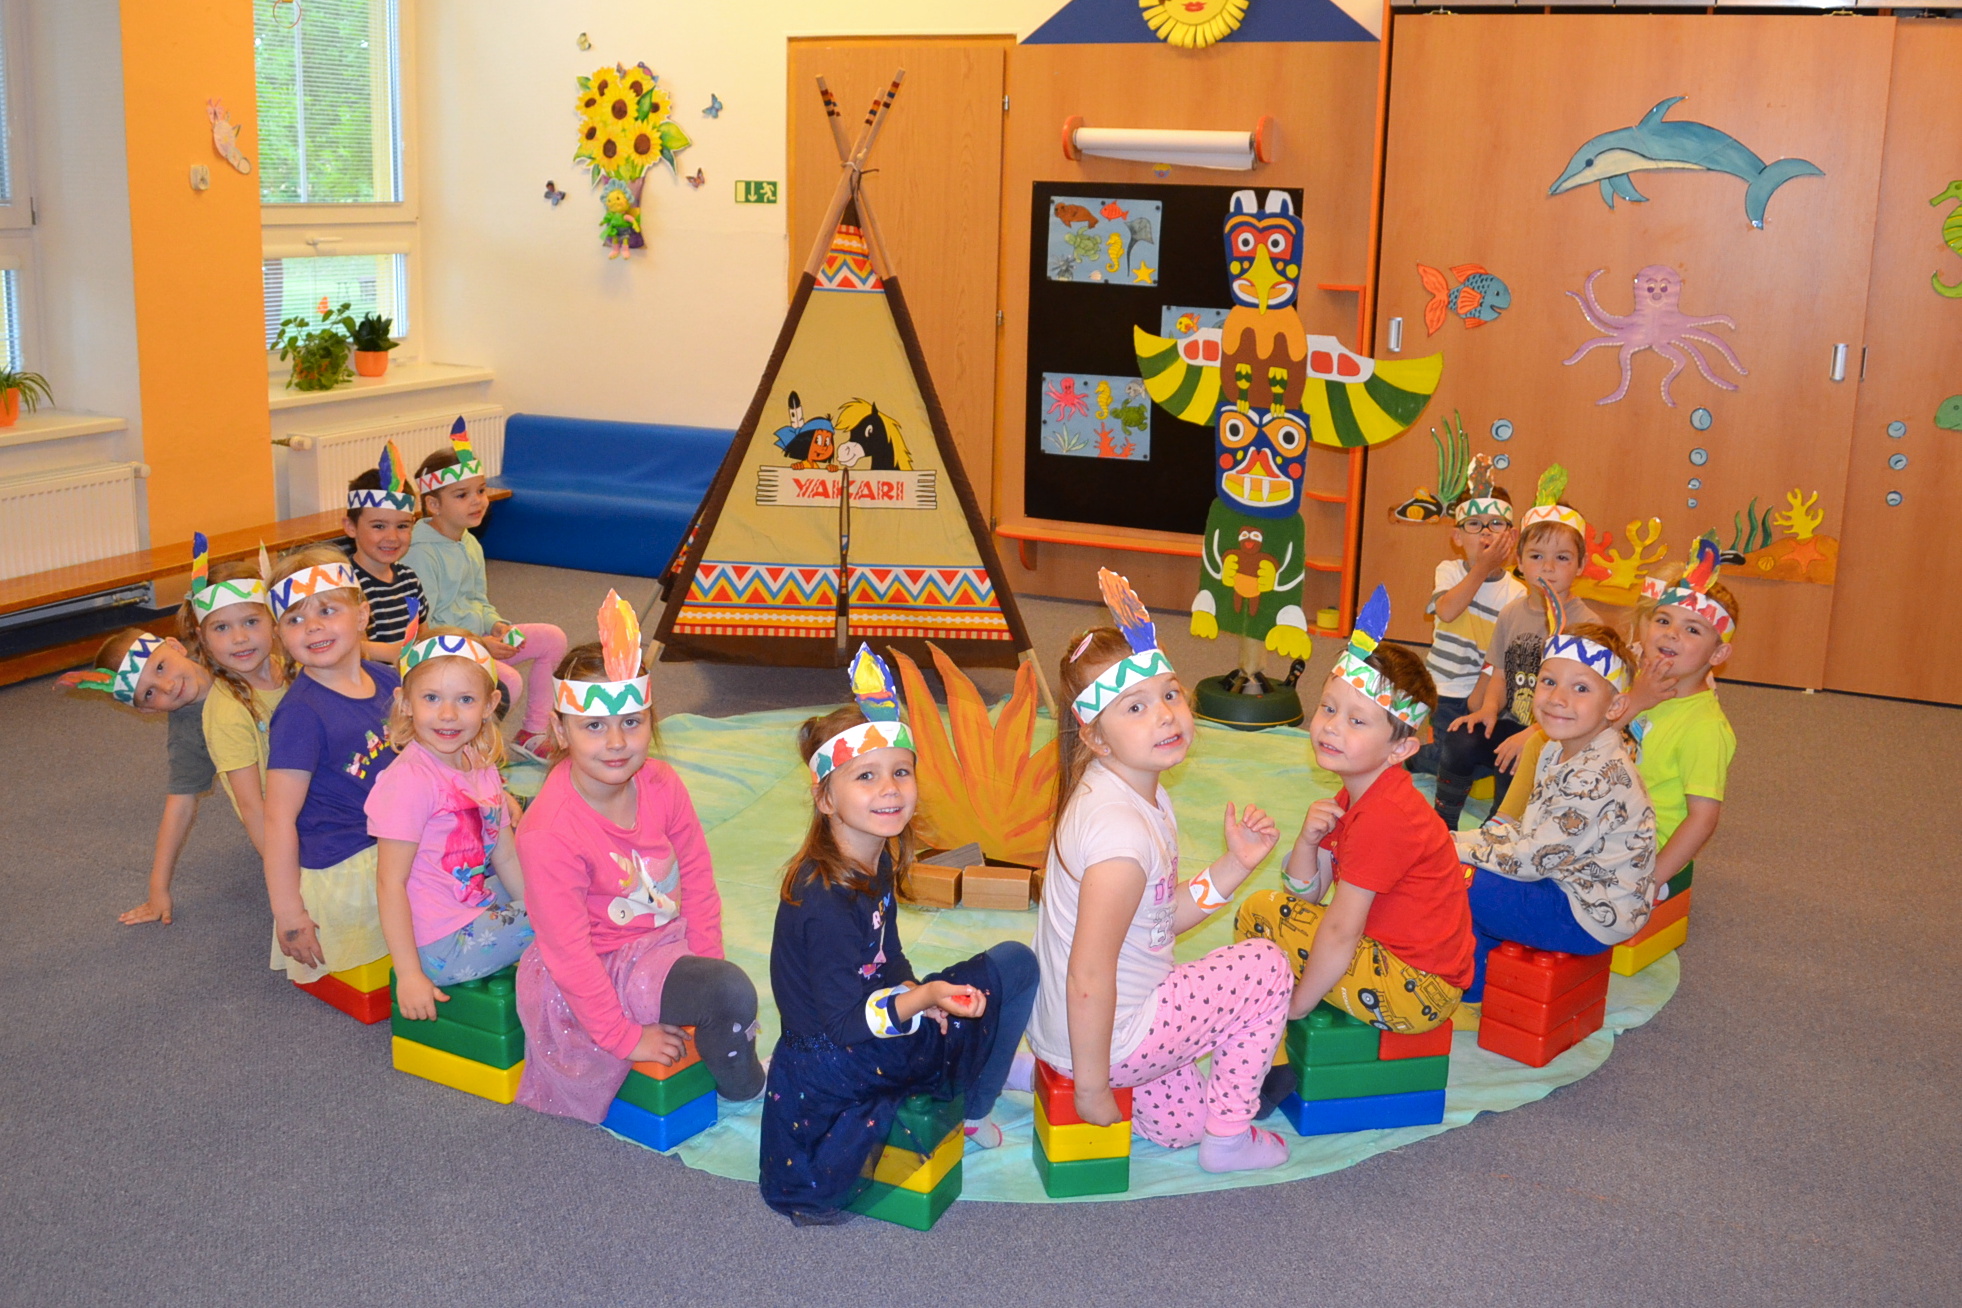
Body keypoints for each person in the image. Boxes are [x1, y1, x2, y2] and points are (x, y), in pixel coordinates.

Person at [1027, 570, 1292, 1175]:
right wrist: (1092, 1087)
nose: (1166, 716)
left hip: (1089, 1033)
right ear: (1096, 737)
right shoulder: (1120, 839)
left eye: (1170, 694)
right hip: (1106, 1040)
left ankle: (1032, 1072)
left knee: (1180, 1129)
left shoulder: (1133, 789)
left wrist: (1233, 866)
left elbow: (1158, 921)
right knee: (1266, 968)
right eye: (1137, 707)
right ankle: (1230, 1139)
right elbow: (1089, 973)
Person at [761, 645, 1038, 1224]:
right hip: (836, 1059)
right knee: (977, 994)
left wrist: (913, 989)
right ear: (825, 797)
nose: (890, 789)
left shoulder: (877, 853)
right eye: (866, 776)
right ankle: (960, 1096)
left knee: (1015, 964)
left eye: (900, 772)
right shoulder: (822, 896)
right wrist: (925, 998)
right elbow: (843, 1025)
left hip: (871, 1022)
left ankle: (968, 1102)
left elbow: (886, 957)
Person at [514, 593, 765, 1125]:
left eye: (631, 722)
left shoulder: (661, 782)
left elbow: (697, 877)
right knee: (730, 994)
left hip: (662, 939)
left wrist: (707, 959)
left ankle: (718, 1025)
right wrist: (625, 1038)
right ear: (559, 731)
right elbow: (569, 953)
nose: (616, 742)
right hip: (602, 962)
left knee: (724, 986)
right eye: (593, 726)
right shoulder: (549, 832)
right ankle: (746, 1090)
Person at [1236, 586, 1476, 1110]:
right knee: (1271, 914)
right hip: (1401, 966)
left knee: (1259, 916)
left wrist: (1295, 1006)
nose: (1330, 727)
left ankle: (1270, 1053)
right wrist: (1308, 840)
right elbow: (1307, 892)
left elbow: (1340, 929)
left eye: (1356, 720)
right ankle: (1270, 1040)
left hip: (1417, 989)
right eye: (1328, 708)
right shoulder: (1359, 793)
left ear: (1402, 748)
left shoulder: (1385, 816)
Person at [1455, 609, 1656, 1001]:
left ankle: (1470, 988)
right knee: (1464, 868)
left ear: (1615, 707)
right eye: (1549, 682)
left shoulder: (1592, 778)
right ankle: (1482, 965)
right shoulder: (1554, 749)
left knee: (1455, 880)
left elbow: (1531, 860)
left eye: (1581, 689)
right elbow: (1531, 831)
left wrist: (1450, 849)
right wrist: (1460, 839)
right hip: (1564, 879)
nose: (1558, 698)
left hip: (1586, 915)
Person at [367, 629, 532, 1021]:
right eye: (431, 698)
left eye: (465, 700)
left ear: (490, 704)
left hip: (471, 904)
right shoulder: (409, 782)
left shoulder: (478, 761)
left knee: (558, 886)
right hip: (442, 946)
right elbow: (390, 883)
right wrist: (409, 974)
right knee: (570, 915)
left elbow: (506, 854)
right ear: (405, 703)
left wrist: (534, 901)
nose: (447, 714)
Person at [1434, 464, 1599, 830]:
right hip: (1512, 722)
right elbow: (1500, 673)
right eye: (1537, 557)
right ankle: (1443, 823)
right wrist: (1488, 710)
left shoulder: (1589, 626)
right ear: (1520, 562)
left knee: (1514, 775)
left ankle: (1500, 829)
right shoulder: (1512, 612)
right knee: (1460, 738)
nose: (1548, 568)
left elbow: (1586, 704)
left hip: (1556, 736)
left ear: (1581, 565)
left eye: (1562, 558)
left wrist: (1535, 735)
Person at [262, 546, 399, 982]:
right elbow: (278, 818)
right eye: (295, 619)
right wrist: (289, 914)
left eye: (327, 610)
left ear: (362, 616)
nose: (313, 626)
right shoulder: (300, 715)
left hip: (395, 830)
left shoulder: (388, 680)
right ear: (280, 635)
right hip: (352, 856)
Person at [404, 419, 566, 761]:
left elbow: (478, 600)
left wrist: (496, 625)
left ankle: (532, 732)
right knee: (507, 680)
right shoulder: (421, 553)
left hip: (479, 640)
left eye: (480, 491)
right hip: (443, 651)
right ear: (433, 505)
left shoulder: (470, 542)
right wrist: (479, 644)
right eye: (462, 495)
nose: (477, 501)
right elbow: (426, 630)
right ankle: (467, 752)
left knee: (552, 638)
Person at [59, 625, 216, 925]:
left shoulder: (231, 652)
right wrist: (158, 889)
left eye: (160, 667)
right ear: (146, 711)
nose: (168, 686)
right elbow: (179, 806)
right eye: (149, 693)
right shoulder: (188, 737)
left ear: (175, 645)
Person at [1624, 540, 1740, 896]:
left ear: (1718, 654)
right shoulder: (1635, 685)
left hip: (1640, 846)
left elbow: (1702, 818)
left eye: (1692, 629)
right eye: (1663, 620)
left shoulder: (1704, 728)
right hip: (1604, 816)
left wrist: (1650, 881)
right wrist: (1634, 701)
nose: (1671, 633)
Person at [183, 537, 287, 858]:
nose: (240, 638)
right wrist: (282, 872)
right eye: (221, 628)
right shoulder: (228, 712)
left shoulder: (292, 669)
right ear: (202, 637)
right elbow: (252, 807)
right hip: (286, 827)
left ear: (273, 622)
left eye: (251, 622)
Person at [1413, 474, 1521, 774]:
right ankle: (1412, 759)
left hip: (1487, 692)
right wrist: (1482, 568)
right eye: (1474, 524)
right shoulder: (1448, 571)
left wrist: (1485, 698)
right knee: (1447, 759)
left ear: (1511, 536)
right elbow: (1447, 611)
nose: (1485, 533)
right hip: (1445, 687)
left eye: (1496, 524)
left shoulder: (1516, 592)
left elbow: (1505, 655)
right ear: (1457, 537)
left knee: (1487, 757)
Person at [333, 441, 426, 663]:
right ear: (351, 527)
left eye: (402, 526)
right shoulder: (345, 585)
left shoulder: (409, 579)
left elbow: (423, 635)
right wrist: (394, 653)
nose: (392, 537)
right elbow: (347, 647)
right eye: (379, 526)